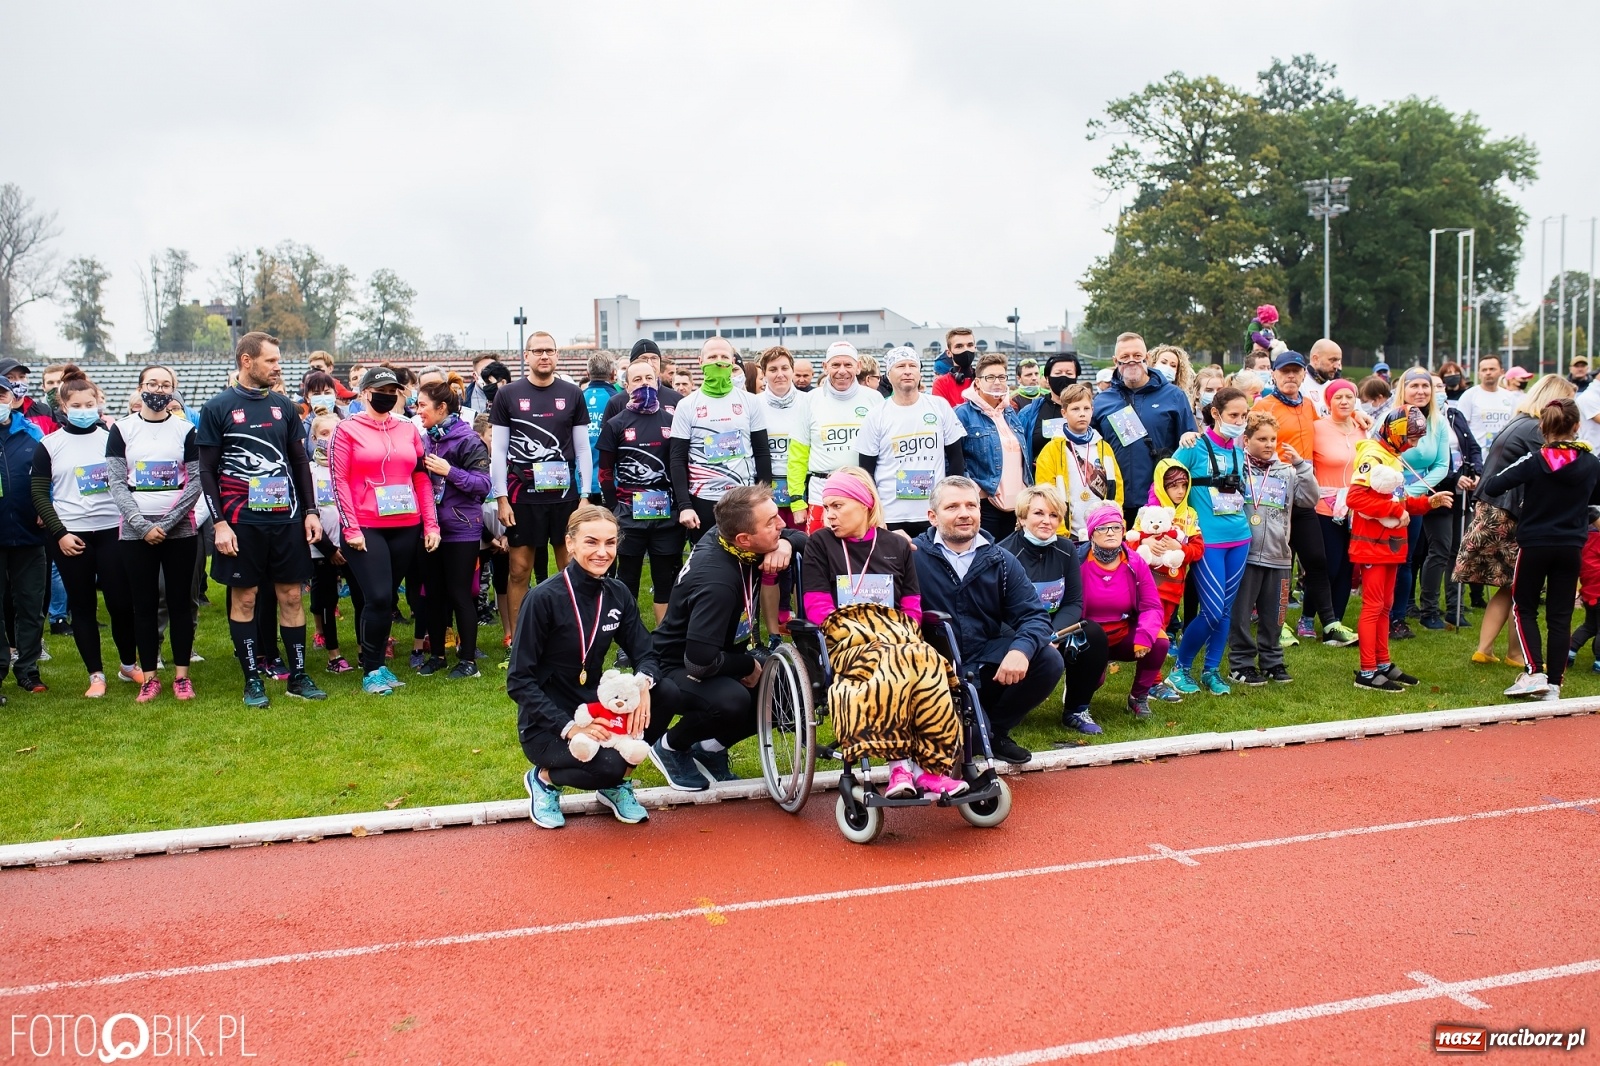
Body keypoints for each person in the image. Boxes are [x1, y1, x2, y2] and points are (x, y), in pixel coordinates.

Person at [798, 468, 969, 796]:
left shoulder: (895, 545)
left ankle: (931, 771)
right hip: (847, 640)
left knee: (929, 662)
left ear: (864, 504)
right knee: (894, 663)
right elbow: (816, 605)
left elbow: (912, 606)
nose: (829, 515)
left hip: (899, 638)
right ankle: (900, 768)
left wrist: (897, 634)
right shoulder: (820, 543)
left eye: (837, 506)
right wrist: (866, 632)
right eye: (826, 507)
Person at [510, 506, 667, 829]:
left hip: (598, 709)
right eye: (591, 542)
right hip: (548, 723)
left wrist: (643, 684)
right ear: (570, 544)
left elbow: (646, 652)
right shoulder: (542, 598)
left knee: (668, 692)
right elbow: (519, 680)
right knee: (608, 766)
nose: (602, 552)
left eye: (610, 543)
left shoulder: (617, 593)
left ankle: (617, 784)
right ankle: (544, 779)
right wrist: (570, 727)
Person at [649, 484, 805, 791]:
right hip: (676, 664)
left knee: (788, 693)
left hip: (718, 652)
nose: (781, 524)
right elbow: (699, 662)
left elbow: (803, 539)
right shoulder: (717, 583)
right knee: (732, 700)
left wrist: (786, 544)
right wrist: (747, 665)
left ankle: (709, 749)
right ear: (744, 539)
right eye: (771, 522)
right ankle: (670, 746)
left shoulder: (726, 536)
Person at [198, 332, 325, 707]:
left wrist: (310, 511)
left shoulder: (285, 406)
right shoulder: (217, 407)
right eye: (271, 360)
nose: (278, 367)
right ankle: (252, 679)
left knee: (291, 595)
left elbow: (299, 462)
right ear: (246, 361)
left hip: (286, 520)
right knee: (246, 598)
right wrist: (219, 523)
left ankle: (297, 676)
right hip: (241, 522)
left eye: (278, 360)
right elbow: (206, 471)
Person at [912, 476, 1064, 765]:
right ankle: (976, 731)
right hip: (933, 668)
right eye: (952, 507)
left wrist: (1021, 651)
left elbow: (1034, 616)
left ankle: (996, 732)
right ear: (932, 516)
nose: (964, 513)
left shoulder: (1001, 560)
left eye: (971, 505)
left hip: (983, 659)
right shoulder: (912, 557)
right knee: (965, 746)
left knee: (1048, 659)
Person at [331, 366, 441, 695]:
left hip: (405, 524)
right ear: (365, 393)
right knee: (377, 597)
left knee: (385, 598)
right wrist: (350, 527)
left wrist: (430, 522)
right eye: (381, 390)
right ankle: (371, 670)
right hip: (366, 526)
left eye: (393, 391)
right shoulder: (347, 429)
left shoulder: (408, 429)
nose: (388, 396)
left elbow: (421, 477)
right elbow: (339, 480)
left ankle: (378, 665)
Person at [1482, 397, 1600, 701]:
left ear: (1542, 427)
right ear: (1577, 426)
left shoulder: (1535, 460)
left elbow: (1493, 485)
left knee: (1524, 607)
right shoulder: (1591, 462)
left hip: (1535, 543)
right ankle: (1555, 684)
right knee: (1560, 615)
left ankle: (1535, 672)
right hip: (1571, 544)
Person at [1458, 374, 1577, 665]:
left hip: (1492, 508)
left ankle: (1484, 649)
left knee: (1508, 586)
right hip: (1510, 512)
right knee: (1523, 588)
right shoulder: (1537, 431)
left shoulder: (1518, 421)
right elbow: (1558, 471)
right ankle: (1514, 653)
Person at [30, 371, 133, 697]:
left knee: (120, 603)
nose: (84, 410)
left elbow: (128, 480)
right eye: (76, 405)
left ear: (98, 403)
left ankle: (128, 666)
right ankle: (96, 675)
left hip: (113, 530)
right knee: (83, 605)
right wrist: (59, 533)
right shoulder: (49, 445)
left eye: (89, 404)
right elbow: (39, 493)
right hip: (71, 535)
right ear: (63, 405)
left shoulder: (112, 438)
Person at [104, 365, 202, 700]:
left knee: (179, 603)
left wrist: (168, 522)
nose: (158, 390)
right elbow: (117, 481)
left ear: (173, 390)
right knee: (143, 605)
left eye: (165, 385)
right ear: (140, 387)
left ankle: (181, 677)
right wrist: (142, 525)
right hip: (136, 531)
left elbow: (195, 481)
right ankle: (149, 677)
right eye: (152, 383)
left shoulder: (186, 430)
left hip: (180, 529)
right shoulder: (122, 429)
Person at [1348, 407, 1454, 692]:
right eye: (1413, 438)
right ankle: (1367, 671)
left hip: (1391, 545)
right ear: (1397, 434)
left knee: (1386, 605)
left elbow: (1400, 499)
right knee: (1373, 606)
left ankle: (1382, 663)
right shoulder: (1373, 455)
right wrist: (1396, 510)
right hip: (1373, 545)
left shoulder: (1392, 456)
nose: (1415, 444)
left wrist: (1428, 503)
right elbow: (1355, 498)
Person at [1252, 350, 1353, 646]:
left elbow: (1328, 427)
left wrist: (1355, 415)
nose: (1291, 376)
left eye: (1296, 371)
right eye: (1285, 371)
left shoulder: (1308, 405)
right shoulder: (1263, 406)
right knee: (1278, 562)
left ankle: (1330, 623)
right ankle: (1276, 623)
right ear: (1274, 374)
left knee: (1317, 559)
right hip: (1272, 494)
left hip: (1304, 493)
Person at [491, 331, 592, 621]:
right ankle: (518, 637)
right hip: (523, 496)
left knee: (570, 568)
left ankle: (572, 632)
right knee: (519, 570)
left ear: (557, 355)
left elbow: (583, 449)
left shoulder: (572, 394)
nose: (544, 355)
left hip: (565, 496)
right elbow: (498, 451)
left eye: (549, 350)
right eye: (537, 351)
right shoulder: (507, 394)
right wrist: (501, 499)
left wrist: (585, 496)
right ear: (526, 356)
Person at [998, 485, 1113, 732]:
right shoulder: (1004, 553)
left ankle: (1076, 709)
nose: (1047, 521)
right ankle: (1008, 708)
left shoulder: (1066, 549)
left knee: (1093, 635)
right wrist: (1035, 639)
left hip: (1055, 629)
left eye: (1053, 515)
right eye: (1038, 513)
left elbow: (1073, 602)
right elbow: (999, 612)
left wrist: (1053, 635)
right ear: (1022, 517)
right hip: (1016, 631)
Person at [1165, 387, 1252, 696]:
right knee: (1212, 610)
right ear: (1215, 413)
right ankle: (1180, 669)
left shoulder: (1239, 452)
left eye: (1244, 415)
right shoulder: (1193, 446)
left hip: (1240, 538)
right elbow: (1165, 484)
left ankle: (1211, 671)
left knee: (1225, 611)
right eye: (1233, 415)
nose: (1239, 421)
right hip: (1208, 541)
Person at [1227, 411, 1318, 686]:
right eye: (1262, 439)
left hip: (1278, 554)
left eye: (1273, 439)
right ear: (1246, 440)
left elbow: (1309, 499)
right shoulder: (1237, 467)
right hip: (1246, 554)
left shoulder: (1286, 472)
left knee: (1274, 616)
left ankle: (1272, 661)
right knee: (1241, 615)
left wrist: (1302, 466)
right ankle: (1241, 664)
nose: (1269, 444)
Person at [597, 356, 684, 624]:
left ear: (657, 382)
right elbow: (605, 473)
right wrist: (614, 508)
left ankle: (664, 638)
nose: (644, 384)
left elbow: (680, 466)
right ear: (627, 387)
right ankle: (628, 638)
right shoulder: (616, 424)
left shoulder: (673, 421)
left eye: (649, 378)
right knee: (628, 580)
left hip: (666, 517)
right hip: (629, 517)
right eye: (637, 379)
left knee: (665, 580)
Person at [416, 380, 491, 678]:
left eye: (423, 405)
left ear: (442, 407)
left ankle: (468, 660)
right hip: (430, 528)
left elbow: (483, 485)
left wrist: (450, 471)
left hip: (462, 528)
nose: (417, 410)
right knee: (433, 593)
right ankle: (437, 655)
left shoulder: (468, 440)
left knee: (459, 593)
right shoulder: (425, 439)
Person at [1072, 504, 1170, 720]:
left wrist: (1144, 635)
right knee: (1094, 681)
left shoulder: (1135, 562)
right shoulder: (1076, 561)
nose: (1110, 532)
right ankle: (1077, 695)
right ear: (1092, 533)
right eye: (1103, 528)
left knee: (1159, 641)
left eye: (1116, 527)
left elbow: (1152, 605)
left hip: (1123, 633)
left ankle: (1138, 697)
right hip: (1089, 637)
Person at [671, 336, 772, 541]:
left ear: (733, 362)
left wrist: (764, 497)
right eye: (712, 357)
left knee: (746, 555)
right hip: (703, 498)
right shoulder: (686, 405)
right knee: (706, 557)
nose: (718, 362)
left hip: (743, 498)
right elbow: (677, 458)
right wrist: (685, 506)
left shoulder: (750, 402)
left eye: (724, 357)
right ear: (700, 362)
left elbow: (762, 452)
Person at [856, 346, 965, 538]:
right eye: (900, 366)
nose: (907, 371)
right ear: (888, 375)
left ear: (920, 372)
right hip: (891, 515)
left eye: (912, 366)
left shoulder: (939, 406)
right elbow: (866, 471)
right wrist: (875, 514)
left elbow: (956, 459)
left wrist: (952, 501)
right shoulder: (876, 415)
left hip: (934, 513)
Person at [1091, 332, 1196, 524]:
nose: (1131, 361)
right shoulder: (1102, 401)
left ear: (1147, 357)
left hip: (1160, 501)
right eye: (1125, 356)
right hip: (1115, 501)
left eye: (1137, 355)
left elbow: (1189, 447)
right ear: (1115, 361)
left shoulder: (1174, 396)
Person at [787, 340, 882, 533]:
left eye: (848, 365)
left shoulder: (874, 398)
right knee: (819, 549)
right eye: (836, 365)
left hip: (860, 491)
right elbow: (798, 455)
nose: (842, 371)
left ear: (858, 367)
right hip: (820, 493)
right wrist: (797, 501)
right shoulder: (810, 400)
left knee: (860, 548)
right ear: (825, 367)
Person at [1387, 369, 1452, 641]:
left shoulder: (1438, 422)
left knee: (1406, 559)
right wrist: (1397, 493)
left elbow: (1442, 465)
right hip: (1386, 495)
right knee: (1384, 559)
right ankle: (1378, 613)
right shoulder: (1390, 417)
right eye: (1414, 386)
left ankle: (1397, 618)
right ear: (1403, 388)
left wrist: (1410, 495)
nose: (1421, 391)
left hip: (1414, 499)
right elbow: (1379, 454)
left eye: (1426, 386)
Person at [1418, 373, 1483, 631]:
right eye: (1432, 386)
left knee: (1458, 549)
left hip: (1462, 491)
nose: (1438, 390)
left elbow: (1473, 447)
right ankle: (1429, 610)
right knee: (1440, 549)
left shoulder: (1455, 415)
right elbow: (1428, 459)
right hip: (1437, 490)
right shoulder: (1421, 419)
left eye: (1440, 386)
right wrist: (1455, 478)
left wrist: (1476, 472)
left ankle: (1456, 608)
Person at [751, 346, 807, 634]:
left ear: (792, 370)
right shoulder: (754, 405)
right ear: (764, 374)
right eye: (773, 369)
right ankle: (774, 629)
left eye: (784, 368)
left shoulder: (808, 403)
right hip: (766, 494)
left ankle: (804, 624)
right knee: (769, 561)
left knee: (802, 557)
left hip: (801, 494)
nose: (780, 374)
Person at [955, 353, 1031, 540]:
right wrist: (974, 489)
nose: (997, 382)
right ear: (977, 382)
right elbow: (954, 459)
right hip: (986, 505)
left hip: (1016, 506)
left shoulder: (1010, 412)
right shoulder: (962, 414)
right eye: (990, 377)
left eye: (1002, 377)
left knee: (1010, 556)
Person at [1032, 383, 1119, 541]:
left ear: (1092, 411)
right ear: (1064, 413)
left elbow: (1117, 489)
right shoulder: (1051, 450)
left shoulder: (1104, 448)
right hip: (1067, 534)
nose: (1082, 414)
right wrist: (1059, 532)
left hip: (1102, 530)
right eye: (1075, 409)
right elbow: (1045, 494)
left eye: (1086, 408)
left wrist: (1113, 521)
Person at [1311, 378, 1364, 635]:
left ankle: (1336, 622)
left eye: (1349, 397)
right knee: (1328, 565)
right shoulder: (1317, 428)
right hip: (1324, 506)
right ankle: (1308, 616)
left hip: (1355, 506)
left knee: (1347, 565)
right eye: (1338, 397)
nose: (1344, 402)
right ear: (1328, 401)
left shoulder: (1362, 427)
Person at [307, 413, 356, 673]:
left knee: (362, 597)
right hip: (322, 548)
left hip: (353, 546)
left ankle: (365, 650)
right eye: (324, 434)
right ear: (314, 439)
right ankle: (334, 655)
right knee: (327, 600)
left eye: (335, 433)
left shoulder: (352, 467)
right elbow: (309, 511)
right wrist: (330, 549)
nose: (330, 438)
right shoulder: (310, 472)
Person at [1146, 458, 1205, 645]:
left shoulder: (1190, 515)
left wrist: (1180, 548)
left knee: (1165, 620)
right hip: (1149, 583)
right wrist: (1145, 541)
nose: (1180, 491)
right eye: (1174, 486)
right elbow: (1129, 544)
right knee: (1149, 622)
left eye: (1184, 485)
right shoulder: (1149, 511)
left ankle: (1164, 642)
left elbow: (1198, 549)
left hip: (1174, 583)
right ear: (1162, 486)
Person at [1017, 352, 1087, 458]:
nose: (1063, 377)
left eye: (1069, 373)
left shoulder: (1088, 411)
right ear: (1047, 378)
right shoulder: (1028, 413)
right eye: (1058, 373)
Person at [602, 340, 684, 426]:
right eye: (643, 358)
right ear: (633, 363)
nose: (650, 363)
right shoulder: (616, 402)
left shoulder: (677, 400)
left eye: (654, 358)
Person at [1456, 354, 1520, 451]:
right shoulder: (1469, 396)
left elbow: (1515, 428)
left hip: (1503, 455)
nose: (1488, 373)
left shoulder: (1510, 398)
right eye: (1484, 370)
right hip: (1478, 456)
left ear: (1502, 372)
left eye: (1492, 369)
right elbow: (1460, 428)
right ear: (1479, 374)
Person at [581, 352, 619, 503]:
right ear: (613, 374)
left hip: (581, 484)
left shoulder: (577, 398)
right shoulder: (618, 400)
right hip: (611, 483)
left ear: (587, 373)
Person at [0, 357, 60, 436]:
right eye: (10, 377)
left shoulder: (44, 411)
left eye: (22, 377)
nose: (18, 381)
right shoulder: (2, 414)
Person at [931, 327, 978, 408]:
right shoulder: (941, 383)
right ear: (949, 353)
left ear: (975, 348)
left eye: (970, 345)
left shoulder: (984, 380)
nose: (966, 350)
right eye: (959, 346)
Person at [1301, 338, 1345, 416]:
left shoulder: (1336, 385)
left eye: (1338, 360)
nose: (1336, 366)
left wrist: (1356, 412)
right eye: (1332, 360)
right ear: (1316, 359)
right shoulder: (1301, 385)